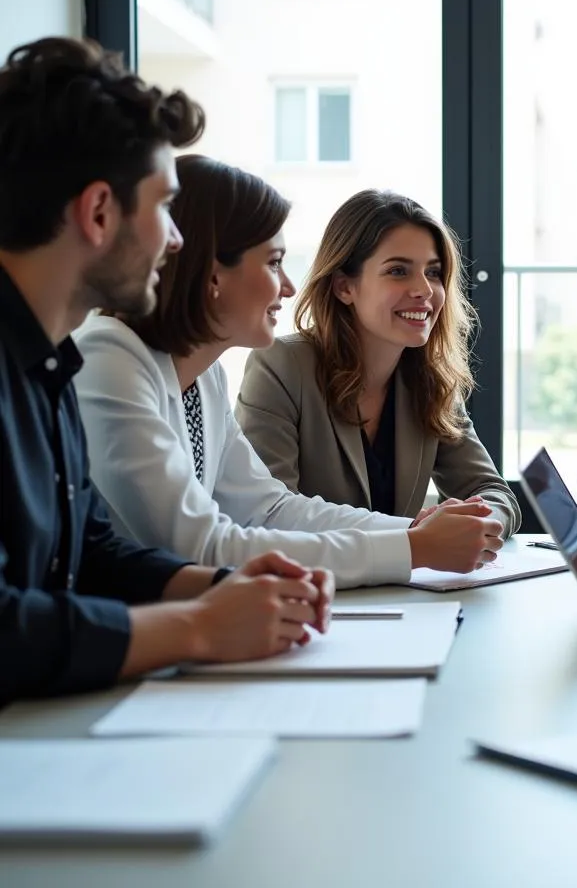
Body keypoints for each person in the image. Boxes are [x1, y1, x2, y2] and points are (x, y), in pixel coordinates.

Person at [0, 37, 333, 704]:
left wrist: (223, 588)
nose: (177, 240)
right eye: (162, 207)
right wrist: (197, 628)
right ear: (98, 213)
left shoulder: (47, 364)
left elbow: (92, 547)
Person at [74, 156, 503, 589]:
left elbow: (272, 509)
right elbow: (200, 547)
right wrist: (415, 547)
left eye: (434, 272)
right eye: (273, 262)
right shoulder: (109, 358)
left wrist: (414, 536)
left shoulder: (204, 378)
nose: (289, 286)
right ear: (211, 273)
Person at [235, 189, 521, 537]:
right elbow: (269, 513)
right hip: (314, 585)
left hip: (400, 588)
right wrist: (418, 536)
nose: (425, 290)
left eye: (433, 272)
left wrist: (475, 521)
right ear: (344, 287)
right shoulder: (281, 365)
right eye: (398, 271)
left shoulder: (430, 378)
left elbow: (495, 493)